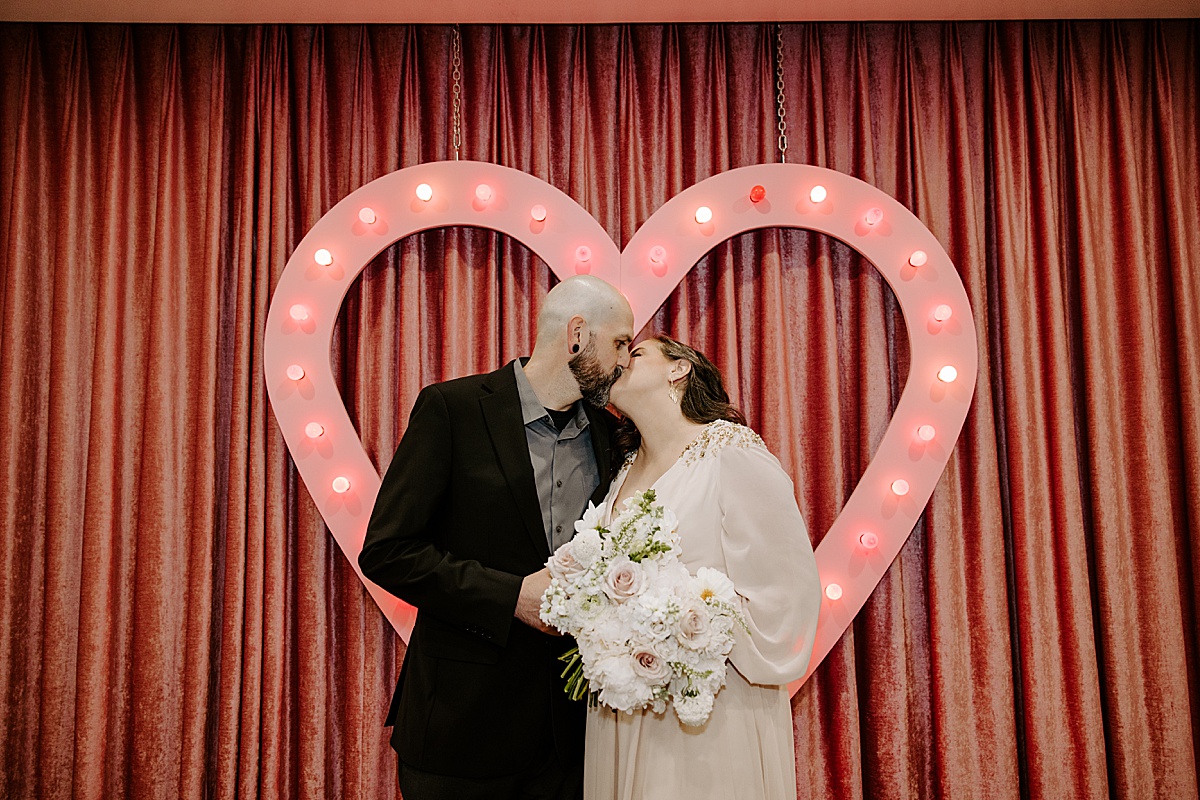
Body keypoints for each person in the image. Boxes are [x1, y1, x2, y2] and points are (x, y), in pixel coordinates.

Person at [359, 275, 635, 800]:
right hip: (460, 732)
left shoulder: (612, 436)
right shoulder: (452, 410)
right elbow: (388, 552)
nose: (626, 361)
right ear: (577, 335)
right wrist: (512, 598)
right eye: (620, 342)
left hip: (570, 743)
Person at [583, 334, 821, 800]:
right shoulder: (623, 469)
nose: (617, 363)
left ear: (679, 369)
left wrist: (684, 629)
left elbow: (787, 591)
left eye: (634, 353)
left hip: (711, 706)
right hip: (624, 707)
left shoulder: (730, 451)